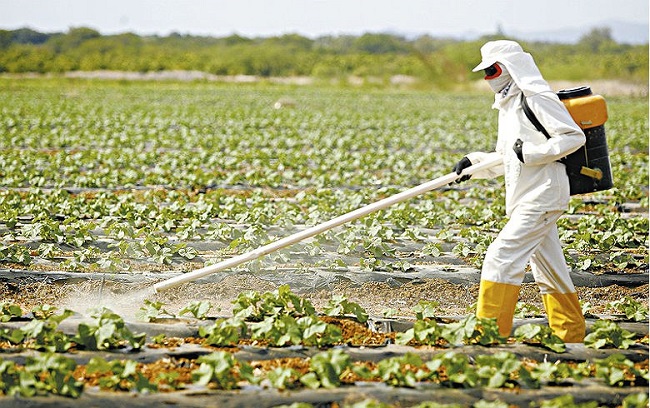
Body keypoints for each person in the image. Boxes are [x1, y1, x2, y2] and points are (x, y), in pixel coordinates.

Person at [453, 40, 586, 343]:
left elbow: (572, 136)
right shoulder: (508, 104)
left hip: (543, 194)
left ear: (510, 67)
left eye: (492, 69)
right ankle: (571, 336)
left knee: (501, 257)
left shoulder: (536, 97)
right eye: (485, 72)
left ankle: (489, 334)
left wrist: (534, 153)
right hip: (526, 195)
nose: (488, 77)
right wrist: (473, 164)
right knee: (550, 269)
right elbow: (507, 156)